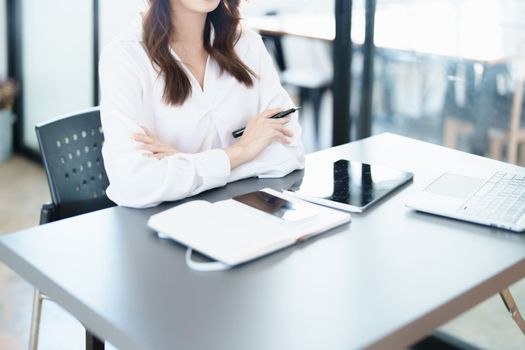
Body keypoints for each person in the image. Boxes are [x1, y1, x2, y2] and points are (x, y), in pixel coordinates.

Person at [99, 0, 305, 208]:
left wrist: (187, 163)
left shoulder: (247, 44)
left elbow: (290, 151)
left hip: (248, 216)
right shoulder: (125, 57)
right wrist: (242, 151)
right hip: (164, 223)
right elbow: (136, 184)